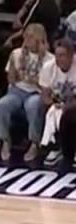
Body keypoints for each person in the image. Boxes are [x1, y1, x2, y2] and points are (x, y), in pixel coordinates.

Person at [0, 22, 50, 162]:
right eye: (26, 36)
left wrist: (32, 80)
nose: (27, 39)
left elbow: (46, 85)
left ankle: (34, 143)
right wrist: (15, 71)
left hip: (37, 93)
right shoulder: (16, 53)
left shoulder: (50, 59)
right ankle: (5, 140)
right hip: (17, 91)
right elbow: (11, 80)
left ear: (40, 39)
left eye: (31, 37)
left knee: (33, 105)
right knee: (2, 105)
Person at [38, 37, 76, 169]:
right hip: (57, 101)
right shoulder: (49, 67)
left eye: (62, 55)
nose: (58, 59)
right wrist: (54, 104)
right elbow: (45, 95)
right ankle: (54, 147)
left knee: (70, 115)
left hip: (73, 103)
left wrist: (67, 107)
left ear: (71, 55)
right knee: (48, 110)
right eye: (57, 55)